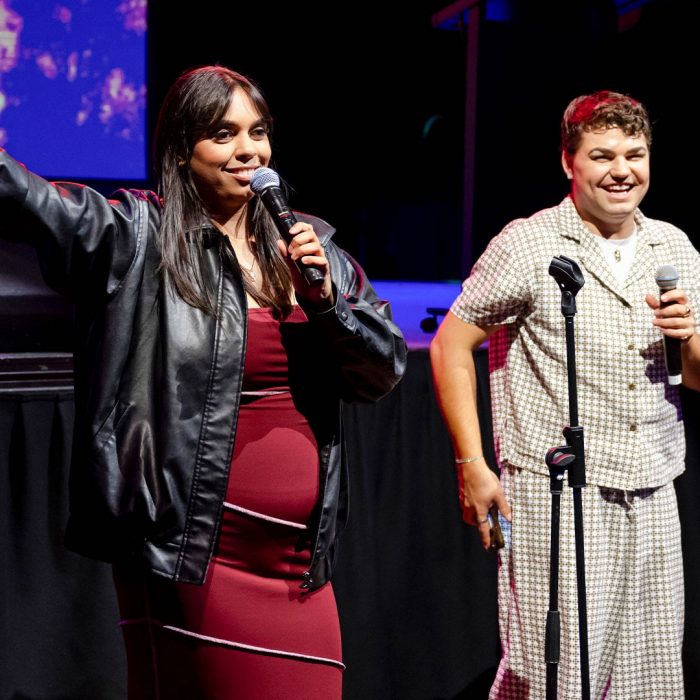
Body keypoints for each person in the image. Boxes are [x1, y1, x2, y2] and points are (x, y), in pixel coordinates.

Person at [0, 65, 407, 699]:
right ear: (182, 151)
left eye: (259, 132)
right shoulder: (137, 238)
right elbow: (30, 199)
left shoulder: (313, 245)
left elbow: (380, 373)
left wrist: (325, 301)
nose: (249, 151)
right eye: (223, 134)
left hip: (298, 564)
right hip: (197, 557)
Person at [430, 90, 700, 699]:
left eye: (635, 154)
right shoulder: (529, 243)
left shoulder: (673, 247)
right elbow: (450, 345)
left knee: (650, 680)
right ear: (568, 163)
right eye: (602, 155)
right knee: (554, 675)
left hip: (653, 487)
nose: (622, 170)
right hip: (559, 494)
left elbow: (699, 375)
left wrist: (687, 336)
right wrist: (473, 464)